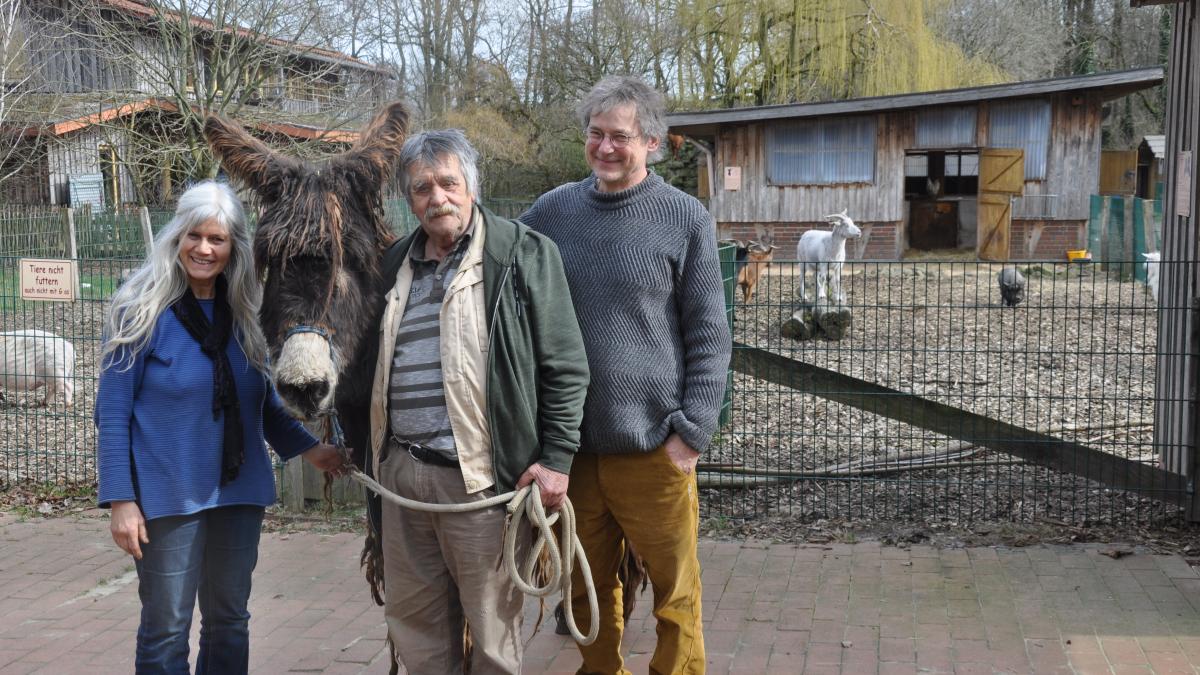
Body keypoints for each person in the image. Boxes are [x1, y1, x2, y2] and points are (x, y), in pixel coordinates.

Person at [521, 75, 732, 675]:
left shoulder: (685, 217)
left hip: (654, 450)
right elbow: (492, 255)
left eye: (621, 136)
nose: (606, 147)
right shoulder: (552, 213)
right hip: (573, 453)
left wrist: (692, 432)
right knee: (585, 592)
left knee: (675, 596)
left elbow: (711, 336)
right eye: (596, 134)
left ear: (653, 144)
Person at [95, 181, 345, 674]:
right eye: (195, 236)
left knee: (230, 620)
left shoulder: (247, 314)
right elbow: (112, 412)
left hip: (238, 494)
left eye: (218, 239)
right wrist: (121, 500)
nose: (204, 249)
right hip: (166, 495)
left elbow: (261, 403)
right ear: (176, 237)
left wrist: (314, 451)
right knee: (167, 626)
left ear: (235, 248)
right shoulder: (138, 311)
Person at [367, 129, 589, 673]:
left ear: (471, 186)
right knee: (416, 628)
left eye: (448, 182)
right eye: (422, 188)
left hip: (482, 484)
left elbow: (566, 365)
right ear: (409, 197)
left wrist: (556, 460)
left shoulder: (521, 253)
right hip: (402, 479)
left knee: (492, 634)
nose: (437, 198)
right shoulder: (393, 263)